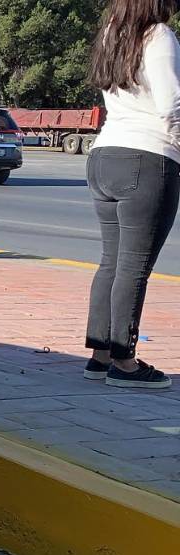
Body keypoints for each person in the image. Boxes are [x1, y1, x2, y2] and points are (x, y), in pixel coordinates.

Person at [83, 0, 179, 389]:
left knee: (111, 262)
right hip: (147, 158)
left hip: (105, 155)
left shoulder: (112, 35)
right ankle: (124, 361)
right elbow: (172, 102)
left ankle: (100, 355)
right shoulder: (157, 35)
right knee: (133, 267)